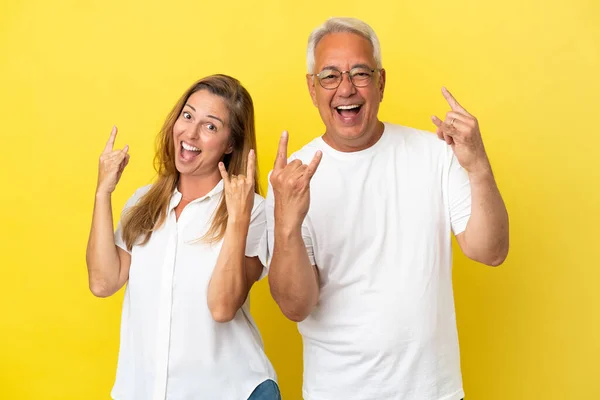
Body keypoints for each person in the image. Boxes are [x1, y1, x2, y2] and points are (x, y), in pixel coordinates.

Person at [265, 17, 509, 400]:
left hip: (434, 391)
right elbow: (297, 305)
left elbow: (490, 251)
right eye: (330, 76)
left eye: (360, 72)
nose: (346, 87)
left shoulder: (434, 154)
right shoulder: (291, 179)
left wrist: (478, 164)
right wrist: (286, 224)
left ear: (381, 82)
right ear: (312, 89)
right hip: (336, 391)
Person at [86, 74, 280, 400]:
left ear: (230, 144)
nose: (190, 133)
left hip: (235, 392)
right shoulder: (143, 202)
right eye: (187, 115)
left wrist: (237, 219)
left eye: (210, 126)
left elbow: (222, 307)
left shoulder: (253, 211)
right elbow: (103, 283)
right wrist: (103, 192)